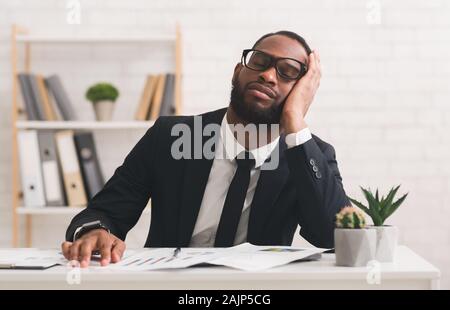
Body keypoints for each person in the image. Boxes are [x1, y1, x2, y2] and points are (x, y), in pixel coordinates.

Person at [62, 30, 349, 267]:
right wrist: (95, 231)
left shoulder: (309, 155)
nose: (268, 76)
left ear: (302, 92)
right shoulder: (170, 137)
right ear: (238, 72)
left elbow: (333, 236)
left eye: (287, 72)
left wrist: (295, 122)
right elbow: (106, 211)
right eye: (260, 62)